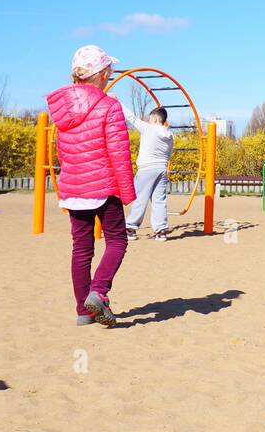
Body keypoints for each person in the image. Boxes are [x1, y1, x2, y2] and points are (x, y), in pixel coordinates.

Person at [46, 44, 137, 327]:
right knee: (117, 240)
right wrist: (127, 192)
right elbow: (119, 153)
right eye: (108, 71)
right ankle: (98, 292)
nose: (110, 75)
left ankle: (82, 311)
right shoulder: (109, 106)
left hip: (74, 188)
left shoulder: (63, 108)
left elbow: (66, 151)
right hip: (104, 186)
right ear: (100, 74)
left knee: (81, 248)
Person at [124, 107, 174, 241]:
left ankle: (131, 228)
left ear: (156, 119)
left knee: (140, 198)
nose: (148, 120)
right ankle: (161, 230)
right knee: (159, 200)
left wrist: (117, 101)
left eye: (150, 118)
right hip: (161, 169)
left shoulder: (149, 128)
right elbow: (169, 154)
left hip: (147, 169)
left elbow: (131, 118)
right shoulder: (169, 135)